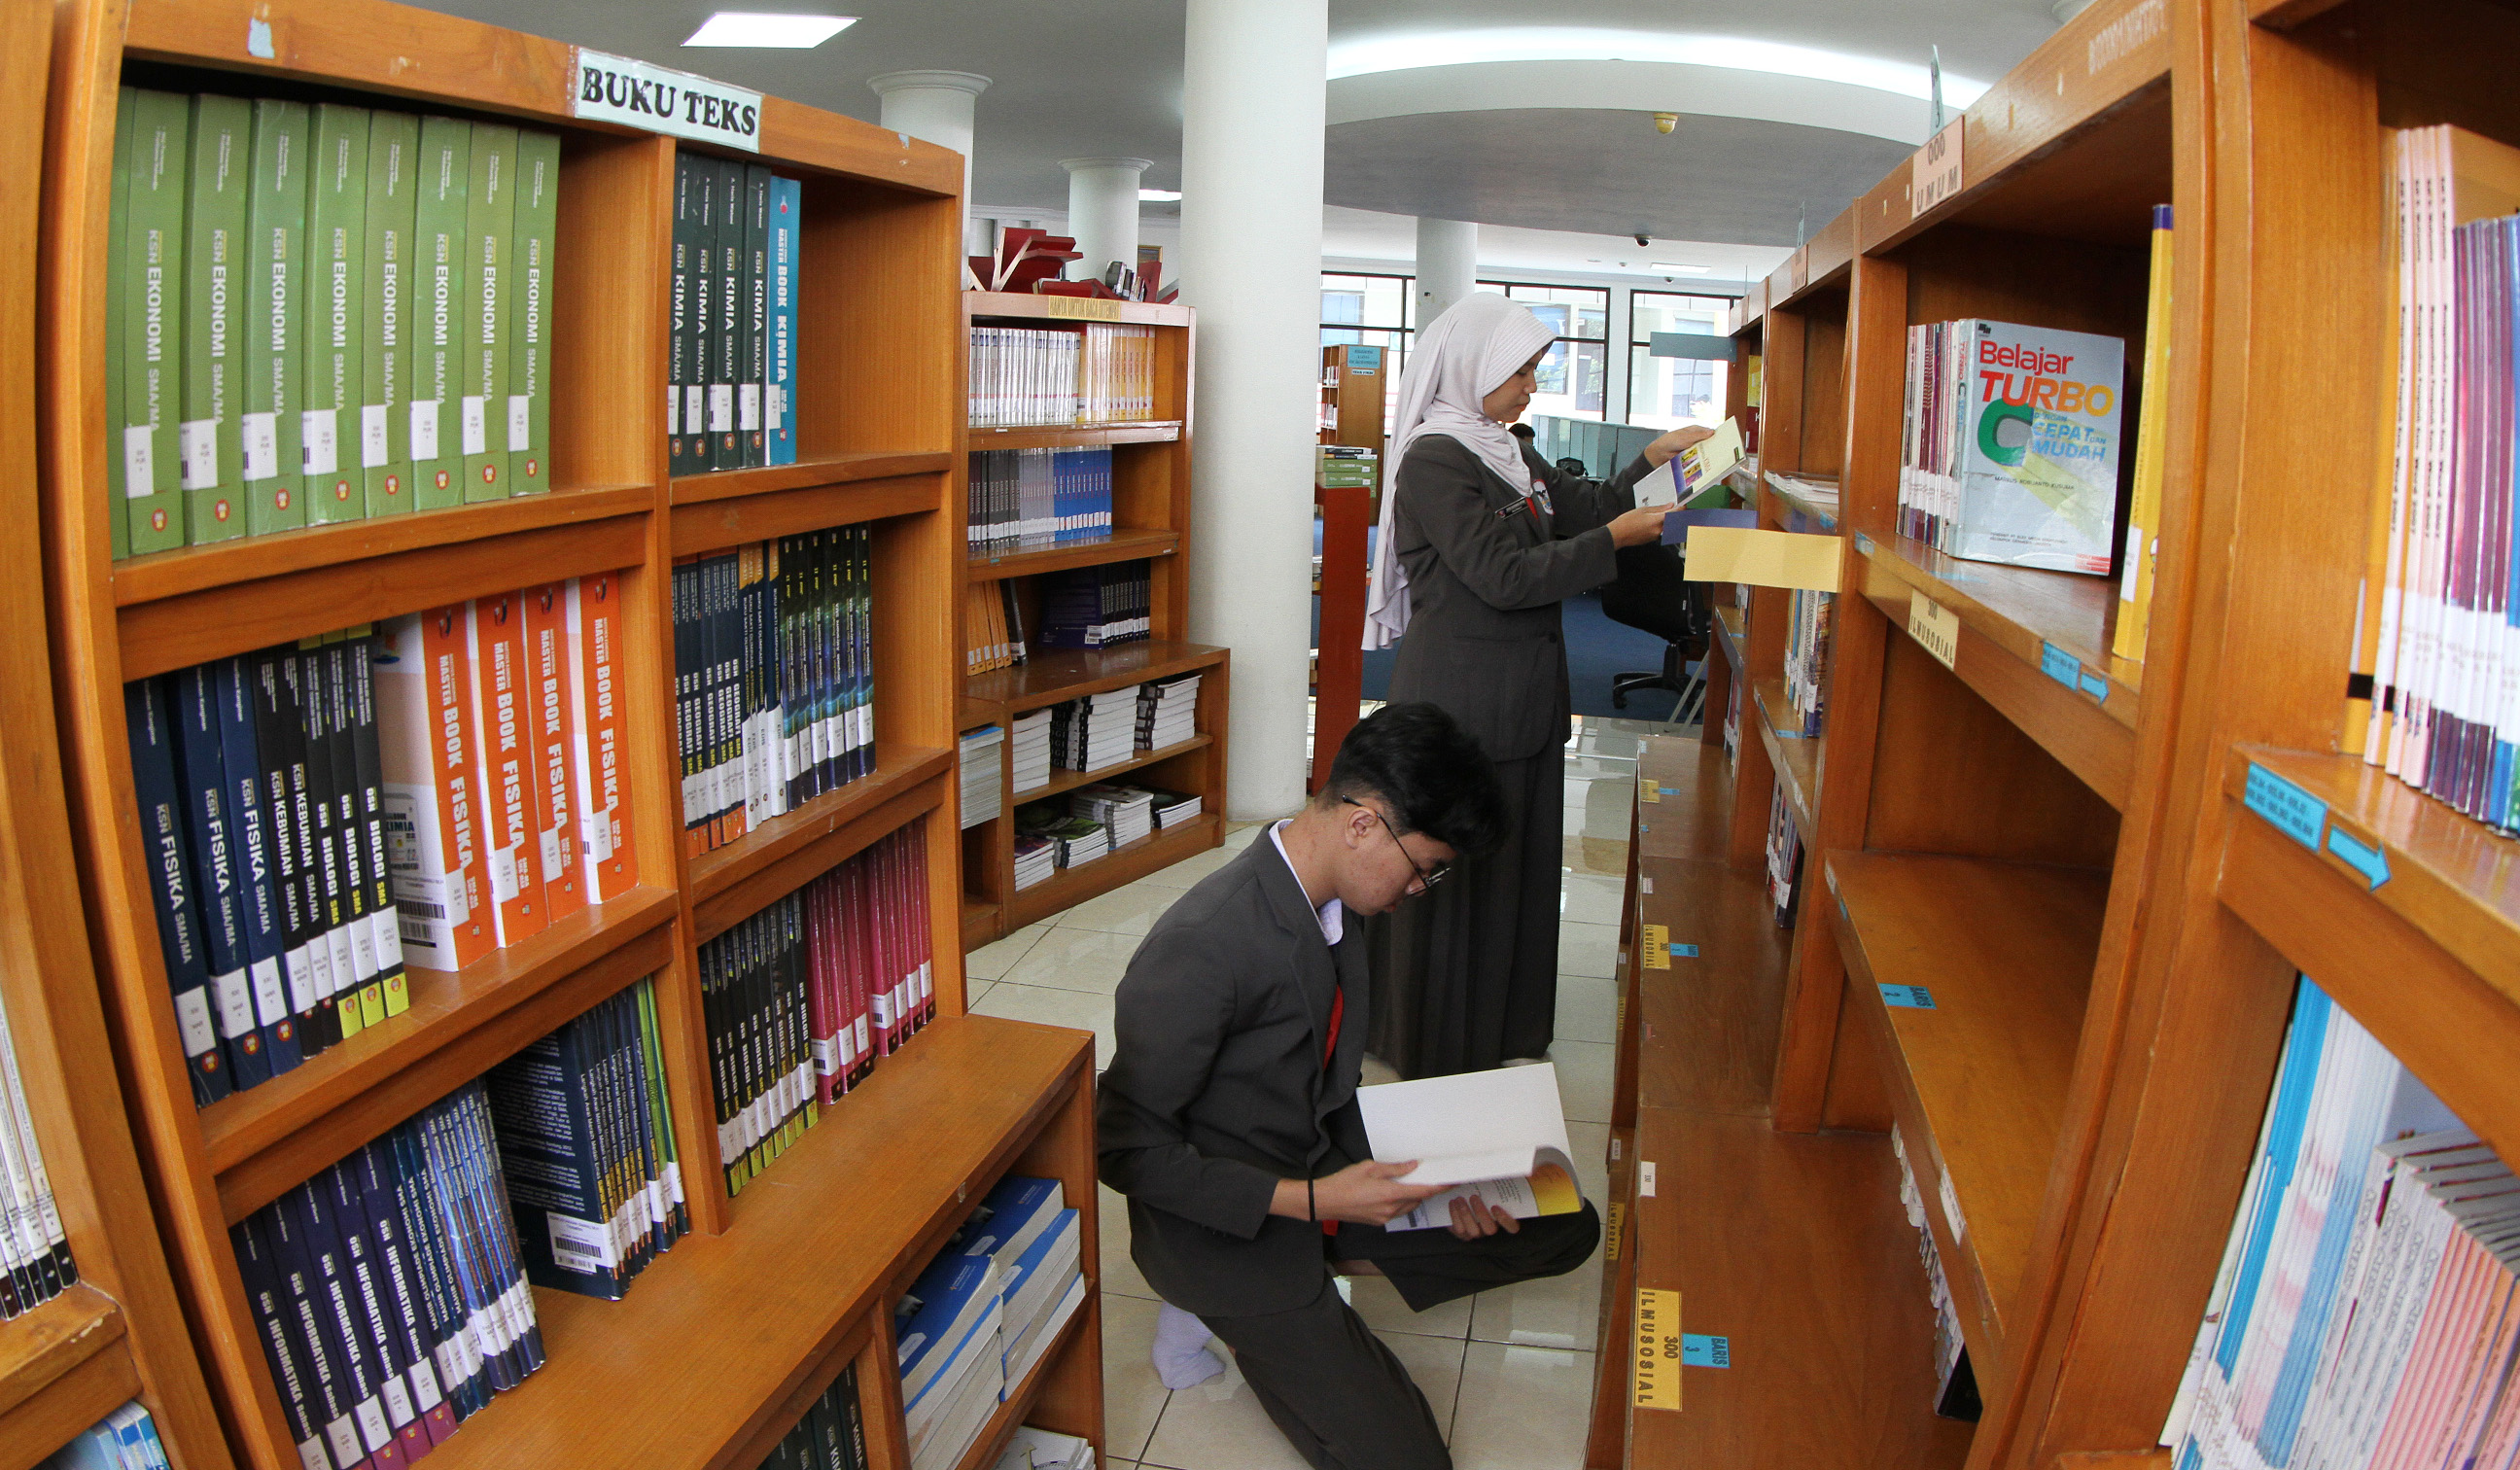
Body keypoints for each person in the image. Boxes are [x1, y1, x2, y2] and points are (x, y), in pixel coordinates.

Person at [1099, 703, 1601, 1470]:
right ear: (1363, 824)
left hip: (1318, 1155)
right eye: (1423, 867)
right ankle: (1227, 1307)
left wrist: (1442, 1183)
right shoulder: (1204, 946)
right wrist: (1316, 1204)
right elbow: (1124, 1149)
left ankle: (1315, 1287)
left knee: (1563, 1219)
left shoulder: (1338, 899)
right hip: (1226, 1221)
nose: (1419, 889)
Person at [1359, 291, 1714, 1079]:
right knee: (1450, 871)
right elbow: (1503, 574)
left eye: (1536, 371)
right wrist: (1613, 542)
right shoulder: (1435, 458)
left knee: (1513, 871)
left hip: (1522, 697)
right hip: (1462, 701)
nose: (1531, 389)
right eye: (1519, 372)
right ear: (1472, 367)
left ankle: (1504, 1027)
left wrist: (1650, 464)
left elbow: (1577, 506)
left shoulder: (1503, 446)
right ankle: (1433, 1036)